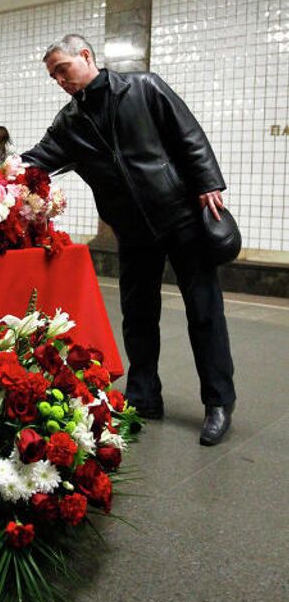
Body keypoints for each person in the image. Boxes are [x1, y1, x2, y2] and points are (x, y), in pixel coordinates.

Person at [21, 33, 236, 446]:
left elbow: (187, 133)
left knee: (204, 311)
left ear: (85, 56)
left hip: (181, 215)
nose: (59, 80)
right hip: (132, 229)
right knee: (138, 315)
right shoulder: (69, 123)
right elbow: (36, 160)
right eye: (53, 76)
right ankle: (143, 396)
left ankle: (219, 402)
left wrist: (208, 181)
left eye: (62, 70)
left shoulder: (143, 87)